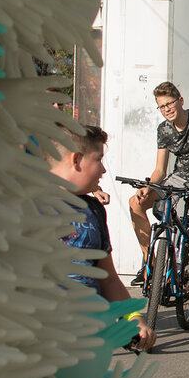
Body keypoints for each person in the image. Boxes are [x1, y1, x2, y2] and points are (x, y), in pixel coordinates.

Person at [128, 82, 189, 342]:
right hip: (178, 178)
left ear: (180, 100)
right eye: (161, 107)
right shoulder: (164, 129)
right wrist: (148, 187)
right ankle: (151, 265)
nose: (166, 110)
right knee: (135, 202)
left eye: (169, 104)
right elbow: (160, 170)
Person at [46, 123, 132, 304]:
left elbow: (109, 281)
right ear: (76, 160)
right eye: (98, 159)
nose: (103, 170)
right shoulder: (28, 206)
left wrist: (133, 316)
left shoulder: (94, 210)